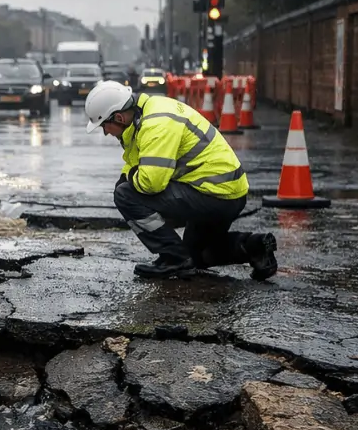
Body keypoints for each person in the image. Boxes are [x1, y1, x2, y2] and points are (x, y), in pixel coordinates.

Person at [84, 80, 277, 280]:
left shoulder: (156, 124)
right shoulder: (143, 116)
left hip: (213, 193)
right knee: (197, 254)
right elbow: (135, 163)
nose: (105, 132)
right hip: (222, 192)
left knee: (125, 196)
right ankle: (256, 247)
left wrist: (128, 182)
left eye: (104, 126)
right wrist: (127, 177)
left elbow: (151, 182)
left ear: (118, 117)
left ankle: (173, 258)